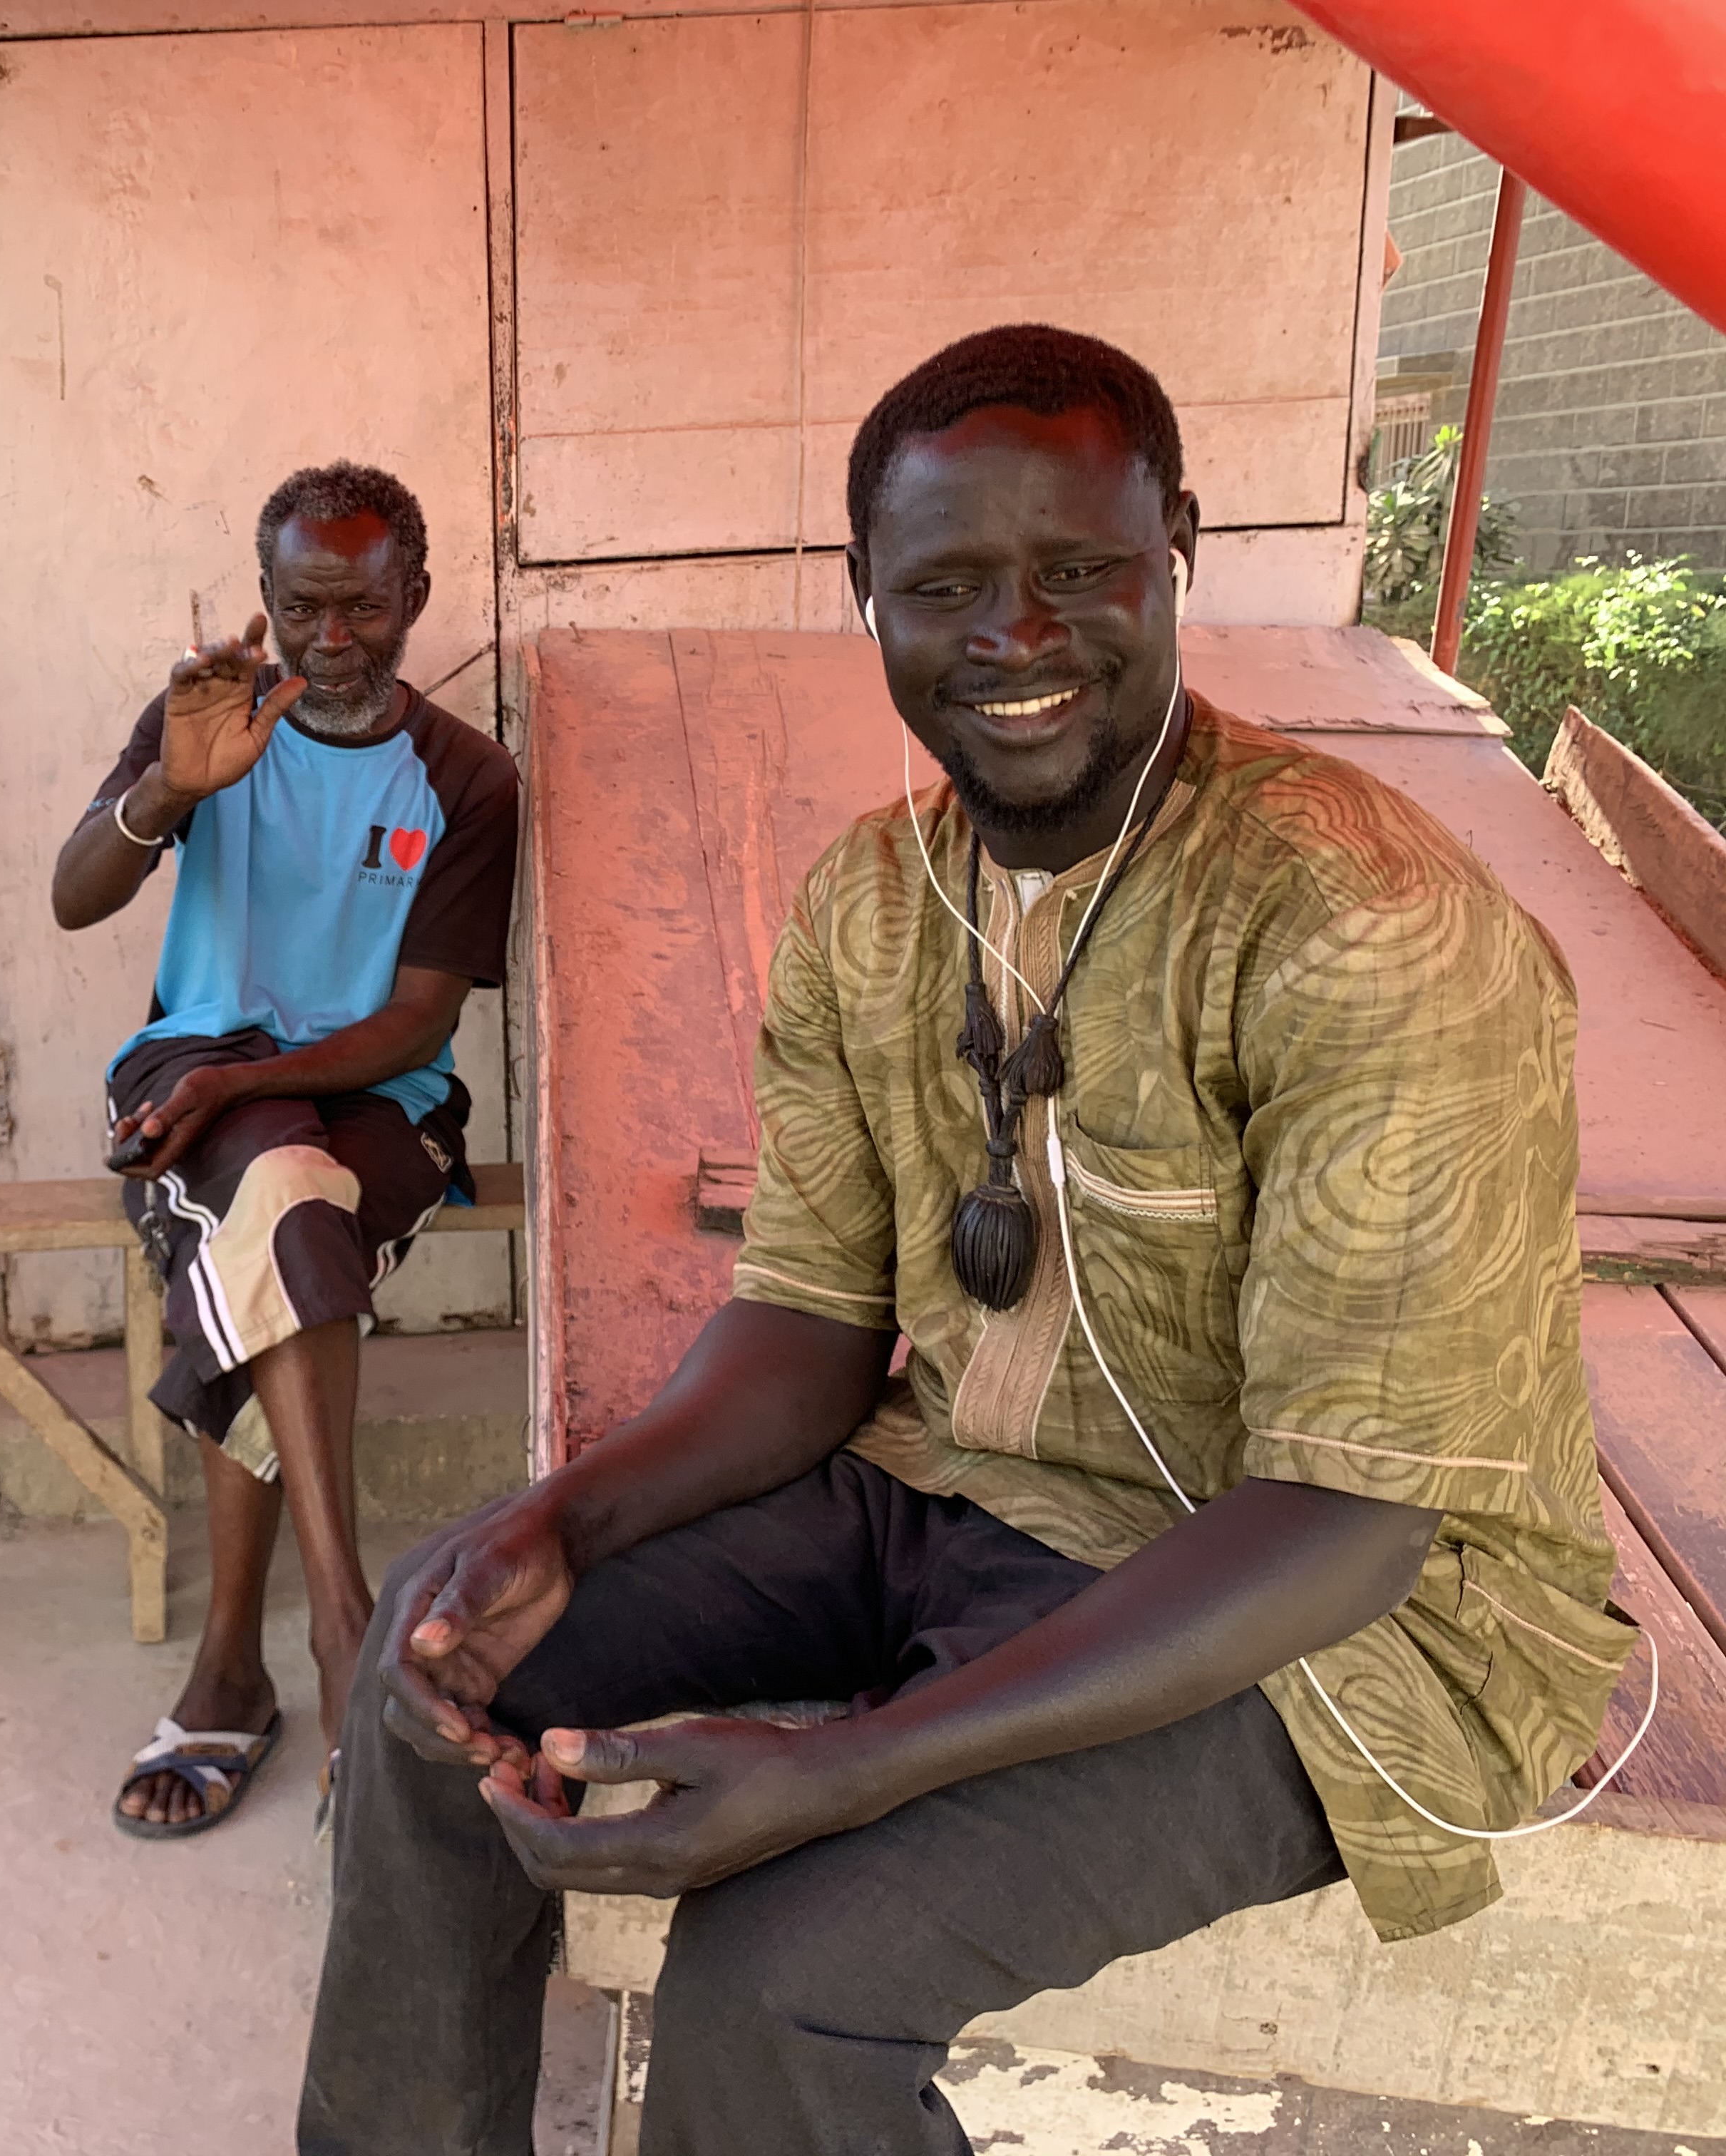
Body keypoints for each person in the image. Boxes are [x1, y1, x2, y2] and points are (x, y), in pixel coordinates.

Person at [299, 328, 1633, 2152]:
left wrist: (848, 1769)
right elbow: (807, 1328)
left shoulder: (1362, 926)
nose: (1014, 636)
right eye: (945, 587)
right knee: (431, 1649)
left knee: (782, 1975)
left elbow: (1352, 1517)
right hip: (956, 1490)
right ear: (869, 592)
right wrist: (563, 1520)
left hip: (1332, 1619)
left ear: (1177, 548)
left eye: (1078, 571)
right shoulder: (875, 896)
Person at [51, 462, 520, 1838]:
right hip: (193, 1065)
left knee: (277, 1209)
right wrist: (165, 791)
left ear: (414, 595)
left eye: (363, 608)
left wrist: (254, 1082)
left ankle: (234, 1671)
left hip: (381, 1090)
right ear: (263, 596)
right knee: (282, 1197)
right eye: (302, 607)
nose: (332, 641)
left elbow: (417, 1020)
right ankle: (341, 1628)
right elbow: (75, 898)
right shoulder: (208, 718)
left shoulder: (468, 777)